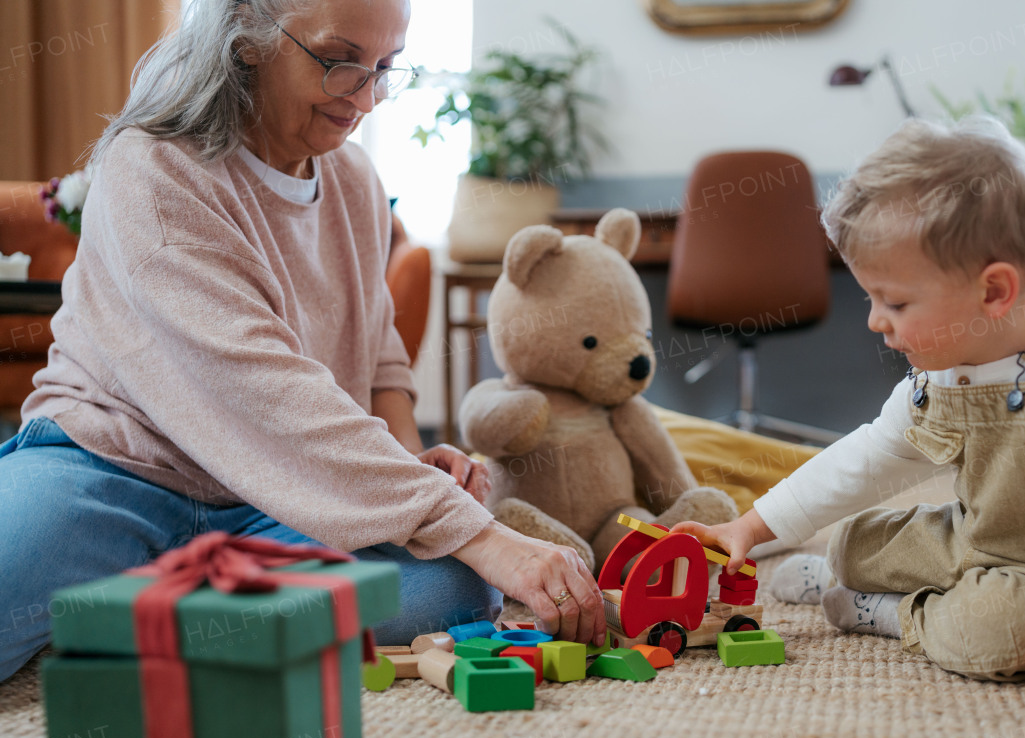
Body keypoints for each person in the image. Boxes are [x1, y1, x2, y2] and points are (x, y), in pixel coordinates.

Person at [0, 0, 604, 683]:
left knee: (451, 590)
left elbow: (378, 356)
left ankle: (122, 620)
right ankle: (166, 616)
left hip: (278, 497)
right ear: (249, 37)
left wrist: (411, 463)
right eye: (340, 61)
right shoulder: (154, 169)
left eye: (386, 68)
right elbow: (261, 393)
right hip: (110, 470)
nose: (367, 97)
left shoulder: (354, 182)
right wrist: (482, 532)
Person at [674, 117, 1025, 732]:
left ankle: (887, 614)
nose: (875, 321)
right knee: (855, 540)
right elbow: (864, 460)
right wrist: (751, 525)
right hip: (976, 538)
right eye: (872, 298)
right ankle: (847, 576)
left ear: (994, 291)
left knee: (995, 630)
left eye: (895, 303)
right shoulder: (936, 381)